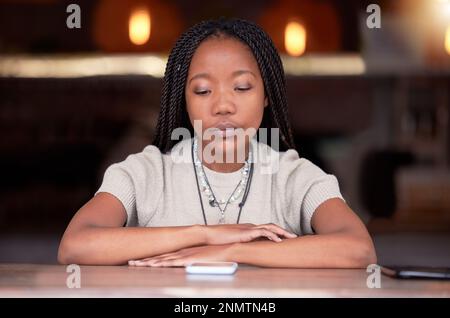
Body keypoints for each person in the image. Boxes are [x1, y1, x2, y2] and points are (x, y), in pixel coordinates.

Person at [58, 18, 377, 268]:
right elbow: (75, 245)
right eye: (202, 90)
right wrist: (204, 235)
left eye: (241, 87)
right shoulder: (146, 172)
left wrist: (231, 251)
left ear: (266, 96)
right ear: (184, 101)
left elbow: (358, 249)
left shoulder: (293, 176)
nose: (223, 105)